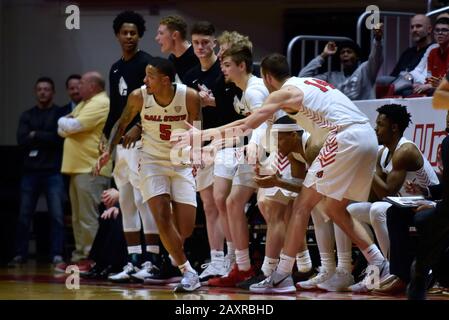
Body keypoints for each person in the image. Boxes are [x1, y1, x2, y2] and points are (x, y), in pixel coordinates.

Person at [175, 53, 389, 293]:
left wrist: (203, 135)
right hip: (367, 136)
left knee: (302, 207)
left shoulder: (283, 92)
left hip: (344, 137)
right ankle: (378, 262)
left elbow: (247, 126)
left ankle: (282, 276)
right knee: (334, 208)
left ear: (267, 78)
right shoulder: (307, 83)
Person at [97, 58, 202, 292]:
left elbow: (197, 127)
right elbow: (122, 123)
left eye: (150, 76)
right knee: (161, 216)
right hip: (151, 162)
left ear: (165, 80)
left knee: (185, 228)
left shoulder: (190, 96)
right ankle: (188, 271)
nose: (145, 80)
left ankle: (176, 249)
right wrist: (108, 152)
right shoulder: (138, 96)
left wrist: (196, 154)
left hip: (180, 162)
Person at [346, 104, 439, 295]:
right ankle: (360, 268)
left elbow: (385, 192)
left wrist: (368, 166)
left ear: (394, 127)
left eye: (380, 124)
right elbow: (373, 195)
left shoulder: (405, 151)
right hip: (405, 206)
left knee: (379, 210)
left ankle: (393, 271)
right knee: (350, 211)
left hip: (431, 206)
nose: (375, 129)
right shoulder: (383, 153)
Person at [182, 21, 230, 281]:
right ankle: (216, 260)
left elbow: (234, 111)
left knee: (224, 204)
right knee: (209, 205)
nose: (200, 47)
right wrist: (193, 147)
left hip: (226, 142)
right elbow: (192, 116)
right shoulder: (189, 76)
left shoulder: (223, 71)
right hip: (202, 145)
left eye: (205, 42)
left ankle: (232, 259)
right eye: (196, 42)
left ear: (215, 43)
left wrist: (213, 102)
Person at [9, 77, 66, 267]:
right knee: (24, 215)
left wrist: (36, 134)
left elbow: (59, 139)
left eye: (47, 89)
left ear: (53, 92)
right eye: (40, 89)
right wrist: (44, 136)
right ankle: (20, 254)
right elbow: (22, 140)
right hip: (30, 172)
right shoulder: (27, 115)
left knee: (56, 216)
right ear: (35, 92)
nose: (43, 92)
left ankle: (57, 254)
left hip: (53, 171)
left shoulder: (60, 113)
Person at [58, 71, 112, 265]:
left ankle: (92, 257)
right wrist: (65, 124)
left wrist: (64, 123)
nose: (77, 87)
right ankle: (81, 254)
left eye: (81, 83)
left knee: (89, 217)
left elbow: (70, 126)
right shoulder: (84, 103)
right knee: (78, 217)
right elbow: (63, 129)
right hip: (78, 168)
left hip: (92, 168)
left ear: (93, 86)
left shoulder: (100, 103)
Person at [298, 24, 383, 100]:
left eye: (349, 52)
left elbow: (376, 57)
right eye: (342, 52)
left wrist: (378, 40)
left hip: (365, 113)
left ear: (357, 57)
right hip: (341, 115)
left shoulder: (366, 70)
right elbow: (303, 78)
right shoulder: (331, 77)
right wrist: (323, 55)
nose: (345, 54)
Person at [155, 15, 200, 83]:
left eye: (161, 33)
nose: (157, 38)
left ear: (175, 35)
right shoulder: (171, 59)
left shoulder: (199, 55)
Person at [413, 17, 449, 95]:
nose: (440, 33)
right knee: (409, 91)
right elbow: (429, 79)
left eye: (444, 30)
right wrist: (423, 85)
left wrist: (429, 85)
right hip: (435, 90)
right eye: (437, 30)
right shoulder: (432, 52)